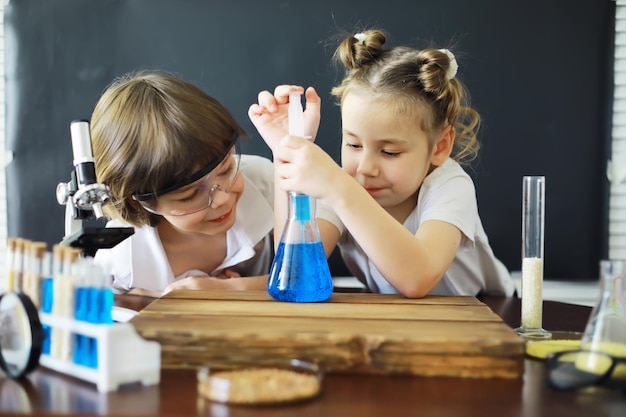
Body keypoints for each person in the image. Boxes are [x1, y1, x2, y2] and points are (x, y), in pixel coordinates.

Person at [249, 29, 515, 298]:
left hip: (489, 311)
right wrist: (286, 152)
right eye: (353, 145)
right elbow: (295, 267)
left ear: (440, 146)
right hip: (398, 321)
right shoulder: (341, 186)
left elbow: (417, 278)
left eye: (389, 152)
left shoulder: (449, 186)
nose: (365, 168)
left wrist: (339, 188)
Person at [90, 70, 277, 296]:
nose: (222, 198)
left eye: (226, 170)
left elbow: (304, 276)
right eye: (189, 195)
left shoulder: (262, 179)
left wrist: (227, 289)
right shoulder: (120, 264)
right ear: (139, 203)